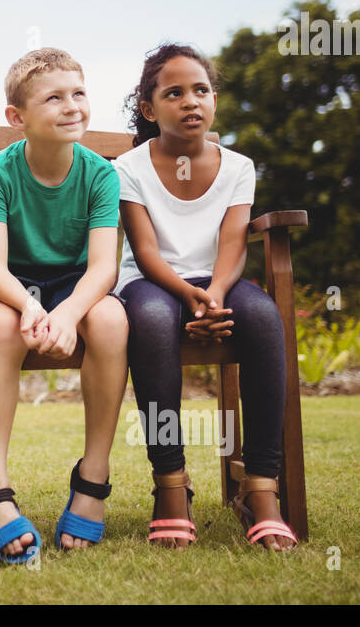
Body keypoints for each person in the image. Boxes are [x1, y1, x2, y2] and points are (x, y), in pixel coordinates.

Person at [115, 44, 297, 551]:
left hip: (217, 279)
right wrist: (191, 298)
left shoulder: (238, 166)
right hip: (153, 283)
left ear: (214, 99)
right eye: (174, 93)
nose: (191, 101)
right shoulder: (128, 168)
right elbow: (146, 253)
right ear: (150, 110)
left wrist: (214, 295)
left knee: (263, 320)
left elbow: (235, 243)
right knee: (150, 323)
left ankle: (260, 488)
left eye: (201, 90)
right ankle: (171, 484)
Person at [0, 48, 129, 563]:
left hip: (75, 283)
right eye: (54, 98)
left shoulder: (99, 174)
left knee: (109, 318)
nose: (71, 107)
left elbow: (104, 269)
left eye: (78, 94)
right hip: (12, 282)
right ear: (17, 118)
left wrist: (64, 313)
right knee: (1, 328)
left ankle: (93, 478)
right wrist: (29, 307)